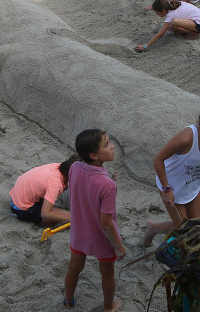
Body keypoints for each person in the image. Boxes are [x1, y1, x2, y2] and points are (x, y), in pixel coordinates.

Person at [142, 95, 200, 246]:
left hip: (193, 186)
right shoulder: (186, 138)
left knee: (195, 228)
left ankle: (156, 228)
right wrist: (166, 189)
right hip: (172, 187)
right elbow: (158, 159)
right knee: (183, 229)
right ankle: (153, 228)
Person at [64, 129, 126, 312]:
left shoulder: (74, 167)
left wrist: (105, 176)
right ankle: (109, 307)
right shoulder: (108, 185)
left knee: (74, 267)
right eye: (106, 144)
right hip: (101, 238)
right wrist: (118, 246)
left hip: (79, 232)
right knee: (107, 273)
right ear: (93, 155)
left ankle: (68, 301)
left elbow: (85, 185)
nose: (112, 146)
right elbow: (106, 223)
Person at [10, 156, 79, 226]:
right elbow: (45, 214)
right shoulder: (55, 185)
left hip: (16, 196)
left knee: (67, 214)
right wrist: (71, 219)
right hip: (21, 208)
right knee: (58, 220)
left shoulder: (58, 166)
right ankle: (38, 222)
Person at [134, 0, 200, 52]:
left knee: (174, 22)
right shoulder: (172, 4)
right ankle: (193, 31)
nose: (157, 14)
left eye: (157, 12)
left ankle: (195, 33)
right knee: (173, 29)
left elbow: (159, 35)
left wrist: (144, 46)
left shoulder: (171, 15)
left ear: (163, 10)